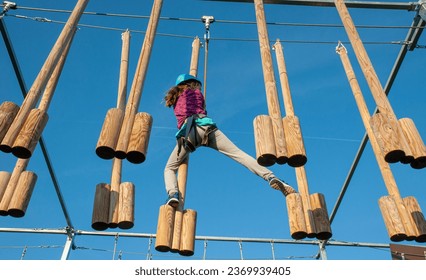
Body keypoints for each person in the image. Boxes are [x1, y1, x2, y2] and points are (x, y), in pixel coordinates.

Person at [163, 73, 296, 208]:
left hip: (190, 133)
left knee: (170, 167)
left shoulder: (177, 97)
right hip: (208, 128)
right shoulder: (198, 95)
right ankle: (270, 176)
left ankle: (173, 194)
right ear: (194, 84)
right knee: (239, 154)